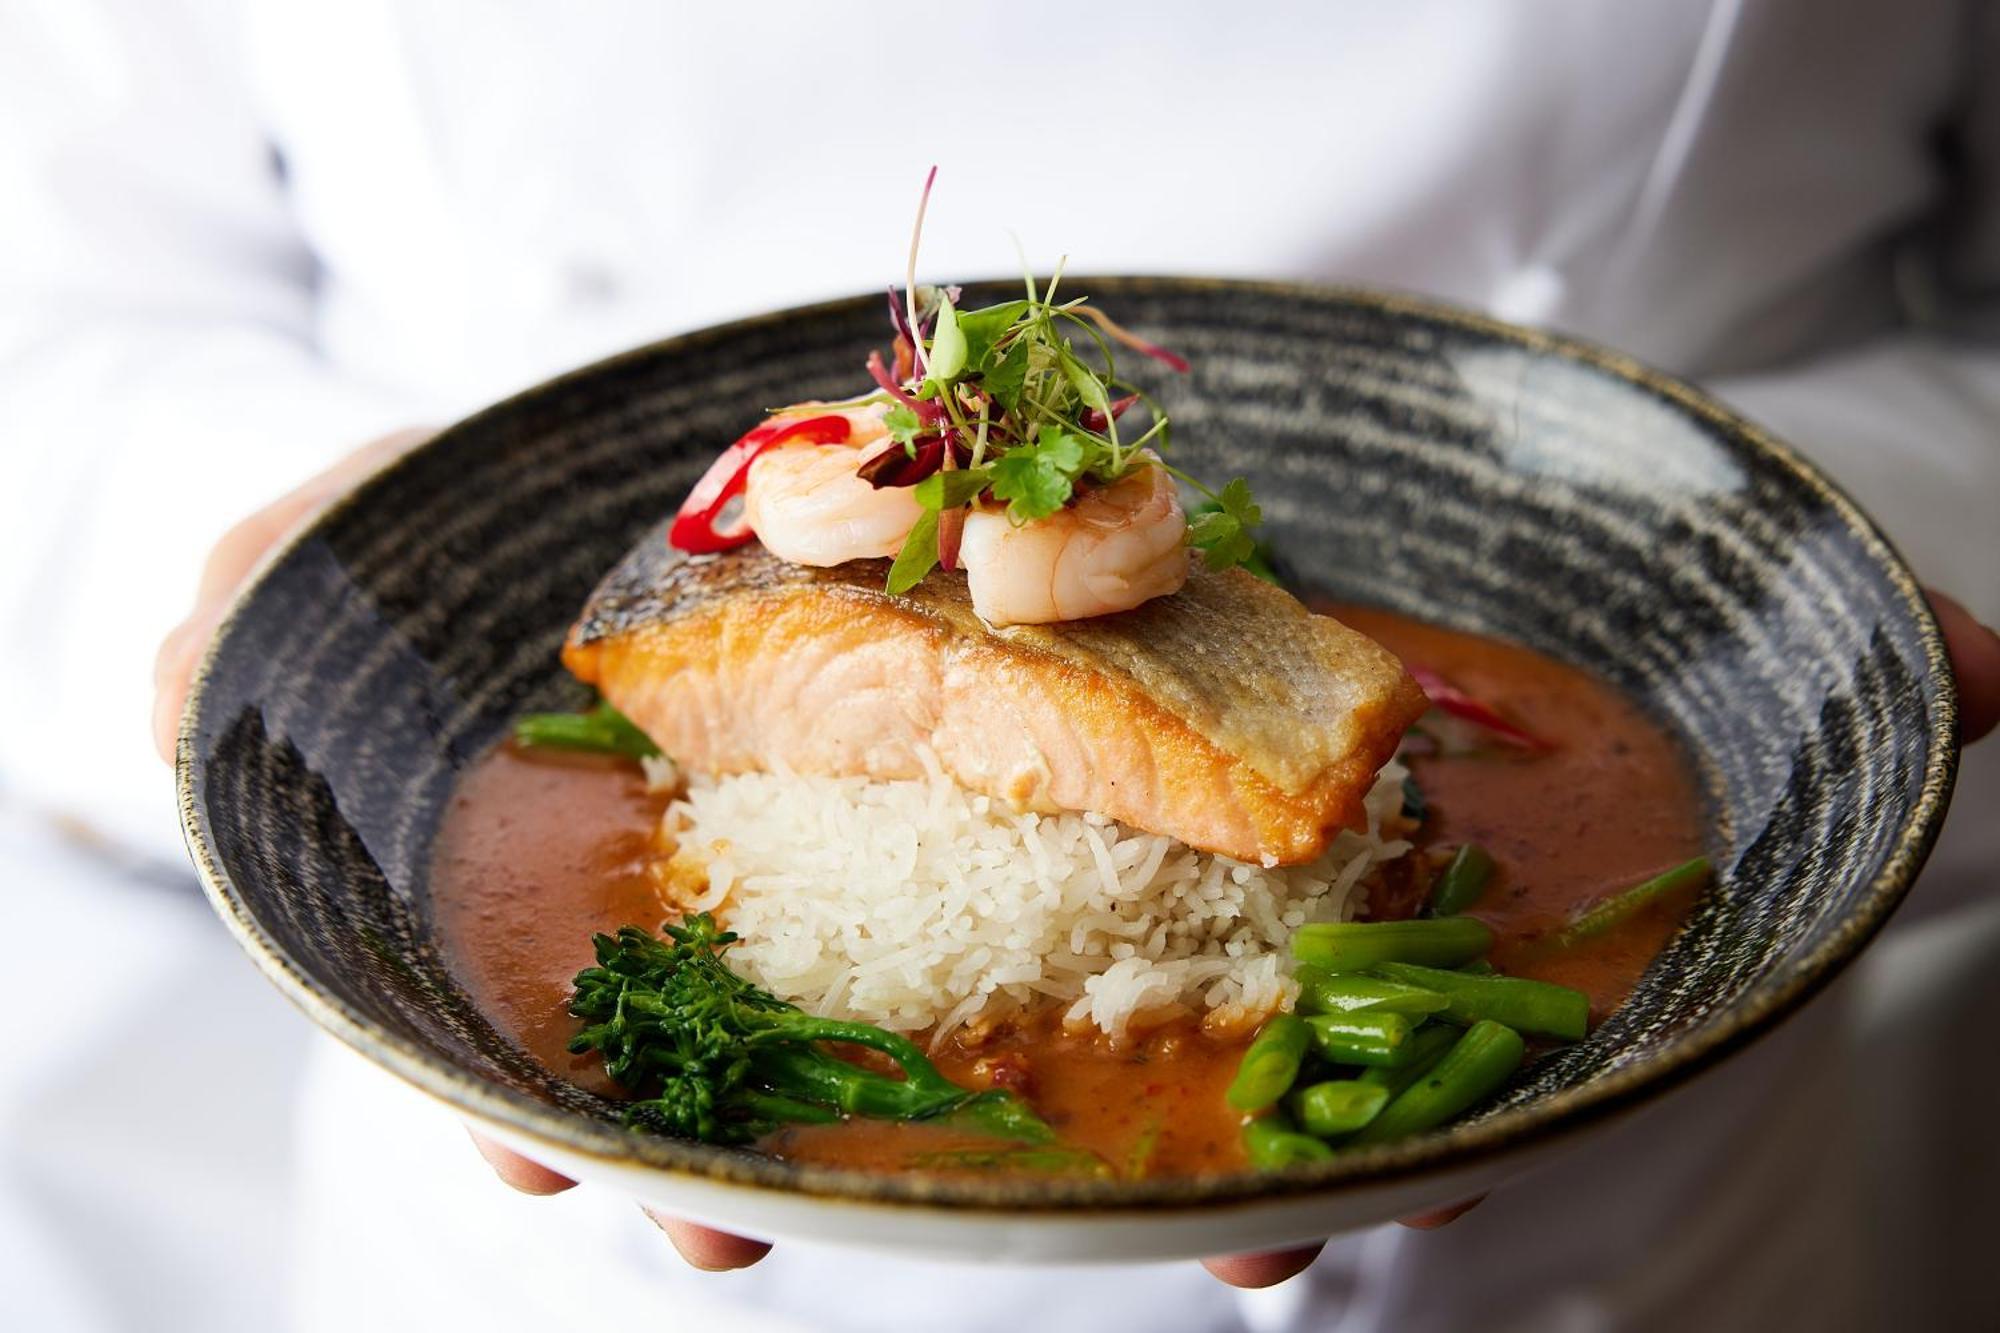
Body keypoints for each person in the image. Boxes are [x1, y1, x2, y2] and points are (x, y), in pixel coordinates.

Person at [4, 2, 1998, 1329]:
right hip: (583, 1273)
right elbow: (61, 311)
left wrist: (1795, 576)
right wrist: (301, 580)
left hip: (1600, 1248)